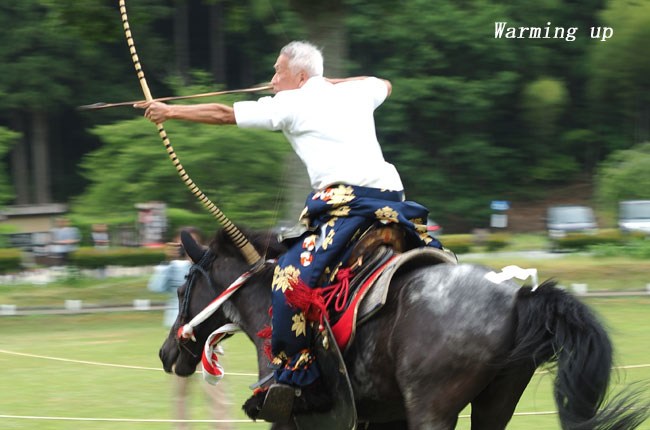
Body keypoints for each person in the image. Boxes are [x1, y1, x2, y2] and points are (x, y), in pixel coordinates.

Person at [136, 40, 444, 412]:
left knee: (286, 280)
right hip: (394, 206)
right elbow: (383, 82)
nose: (271, 79)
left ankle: (301, 381)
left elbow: (222, 114)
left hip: (348, 211)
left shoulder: (290, 103)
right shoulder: (359, 91)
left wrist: (169, 112)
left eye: (278, 71)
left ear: (299, 76)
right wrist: (325, 81)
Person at [148, 227, 232, 430]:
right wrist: (167, 262)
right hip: (179, 338)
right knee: (181, 394)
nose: (186, 250)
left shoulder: (211, 270)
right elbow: (156, 287)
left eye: (191, 245)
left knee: (217, 392)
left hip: (208, 339)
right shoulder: (175, 268)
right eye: (182, 246)